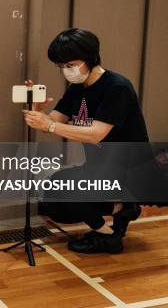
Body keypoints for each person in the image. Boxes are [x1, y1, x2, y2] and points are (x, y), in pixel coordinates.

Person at [23, 28, 146, 254]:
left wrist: (48, 124)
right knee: (54, 197)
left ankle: (109, 235)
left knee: (72, 191)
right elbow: (54, 121)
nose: (66, 71)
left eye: (70, 64)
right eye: (61, 67)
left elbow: (96, 133)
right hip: (100, 167)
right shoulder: (77, 89)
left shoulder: (117, 87)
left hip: (128, 170)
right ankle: (122, 209)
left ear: (89, 58)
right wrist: (38, 112)